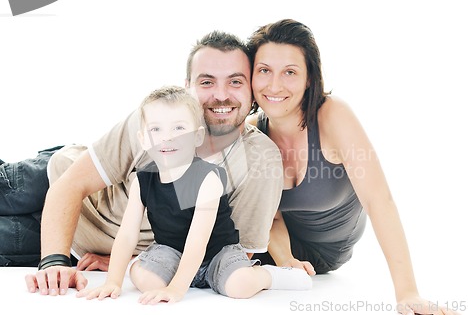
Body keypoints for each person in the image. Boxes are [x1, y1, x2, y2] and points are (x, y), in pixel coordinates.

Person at [23, 30, 284, 296]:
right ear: (188, 87)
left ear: (252, 89)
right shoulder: (157, 122)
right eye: (206, 82)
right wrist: (54, 261)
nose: (220, 95)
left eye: (235, 82)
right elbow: (70, 184)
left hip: (79, 247)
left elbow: (233, 251)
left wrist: (129, 264)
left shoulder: (259, 161)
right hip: (60, 192)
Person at [246, 19, 458, 315]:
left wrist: (407, 292)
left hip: (329, 252)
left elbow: (378, 200)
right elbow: (270, 218)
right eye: (264, 71)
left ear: (309, 78)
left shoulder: (332, 116)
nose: (274, 85)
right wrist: (286, 261)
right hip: (279, 250)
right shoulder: (254, 133)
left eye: (290, 72)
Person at [75, 86, 310, 304]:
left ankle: (267, 275)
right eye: (156, 129)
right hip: (171, 251)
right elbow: (127, 235)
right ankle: (151, 269)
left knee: (240, 287)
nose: (167, 137)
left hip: (216, 253)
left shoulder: (207, 178)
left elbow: (198, 241)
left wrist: (177, 288)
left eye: (178, 128)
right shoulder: (142, 180)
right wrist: (113, 282)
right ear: (143, 139)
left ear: (197, 137)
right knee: (146, 281)